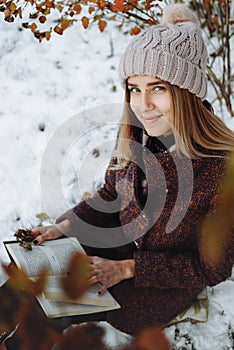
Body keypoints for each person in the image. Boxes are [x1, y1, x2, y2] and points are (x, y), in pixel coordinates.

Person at [3, 3, 234, 349]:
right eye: (134, 88)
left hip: (150, 288)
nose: (143, 104)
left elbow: (211, 269)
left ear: (187, 91)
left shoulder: (220, 168)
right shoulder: (139, 132)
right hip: (115, 243)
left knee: (51, 307)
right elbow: (113, 193)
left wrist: (127, 269)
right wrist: (63, 228)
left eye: (158, 88)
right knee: (25, 283)